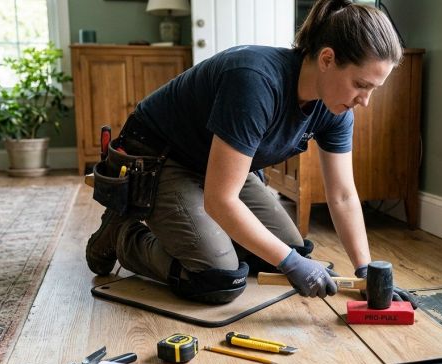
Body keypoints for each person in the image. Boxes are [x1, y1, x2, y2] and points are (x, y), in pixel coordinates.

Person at [86, 0, 416, 307]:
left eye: (374, 89)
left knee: (293, 250)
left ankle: (200, 234)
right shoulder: (255, 81)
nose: (365, 100)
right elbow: (221, 200)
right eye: (361, 84)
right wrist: (288, 262)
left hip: (217, 164)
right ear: (327, 59)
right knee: (218, 279)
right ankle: (123, 235)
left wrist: (366, 269)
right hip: (161, 158)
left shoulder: (337, 110)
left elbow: (342, 195)